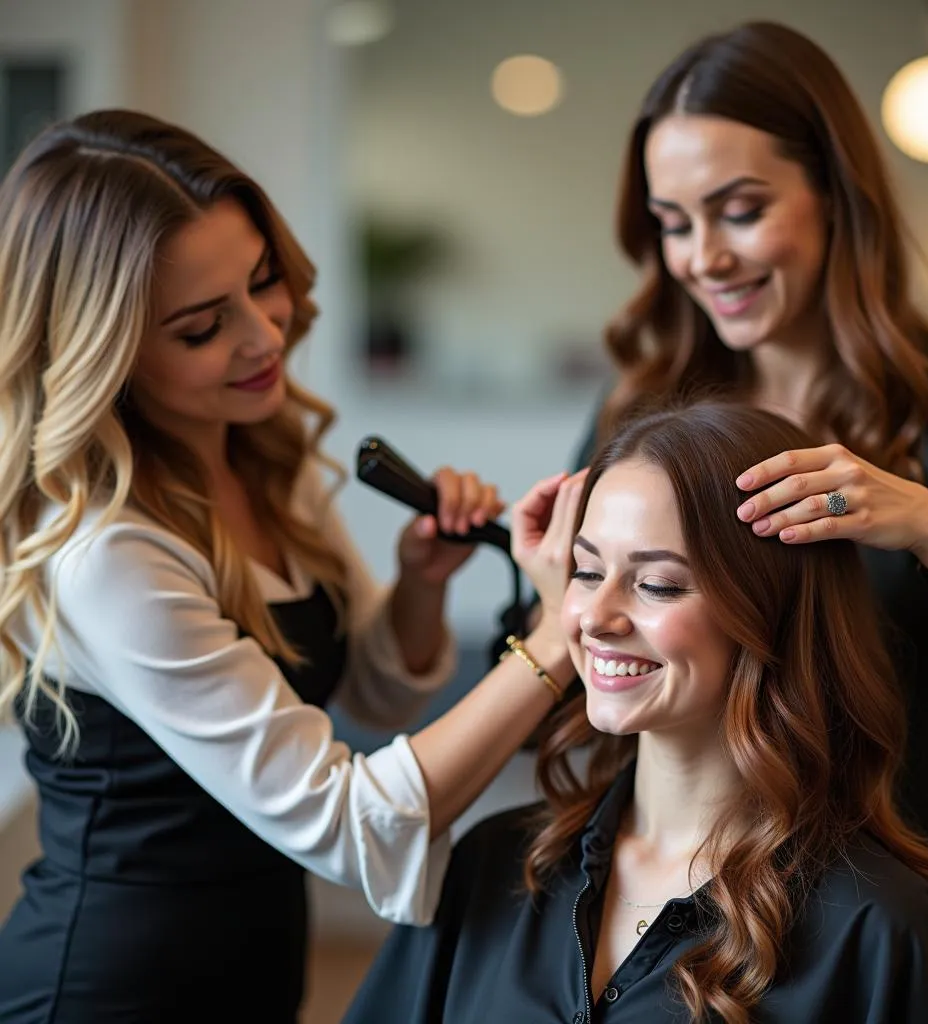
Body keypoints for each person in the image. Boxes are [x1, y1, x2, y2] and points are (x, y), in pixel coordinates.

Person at [0, 109, 584, 1024]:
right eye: (202, 326)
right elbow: (353, 822)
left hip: (259, 956)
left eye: (263, 282)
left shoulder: (262, 461)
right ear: (102, 353)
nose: (265, 336)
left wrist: (421, 581)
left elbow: (374, 698)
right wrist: (562, 635)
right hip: (106, 989)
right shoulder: (111, 555)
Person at [561, 20, 928, 981]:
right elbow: (581, 657)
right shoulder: (642, 417)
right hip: (698, 909)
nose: (703, 259)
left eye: (738, 210)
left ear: (834, 196)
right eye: (674, 224)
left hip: (925, 898)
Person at [343, 401, 928, 1024]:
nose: (596, 619)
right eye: (584, 571)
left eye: (658, 584)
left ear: (770, 614)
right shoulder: (492, 870)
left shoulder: (877, 929)